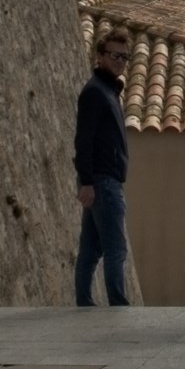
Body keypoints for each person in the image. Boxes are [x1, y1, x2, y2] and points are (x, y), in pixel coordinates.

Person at [74, 27, 132, 307]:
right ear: (99, 56)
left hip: (103, 179)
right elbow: (83, 140)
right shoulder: (95, 93)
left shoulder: (107, 91)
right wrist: (86, 181)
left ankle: (84, 303)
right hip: (103, 181)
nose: (120, 62)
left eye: (124, 57)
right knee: (115, 249)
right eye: (114, 56)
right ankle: (118, 305)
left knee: (91, 248)